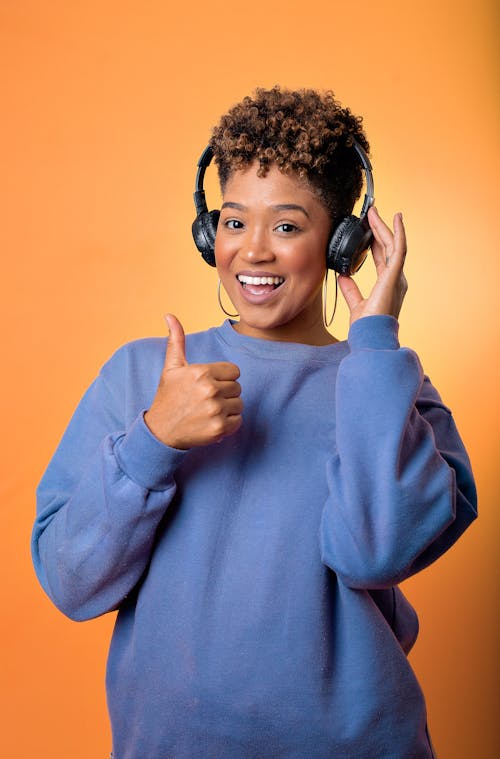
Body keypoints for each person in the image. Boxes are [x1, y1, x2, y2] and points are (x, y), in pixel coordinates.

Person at [32, 86, 477, 759]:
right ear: (210, 233)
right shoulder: (140, 376)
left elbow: (376, 552)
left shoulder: (391, 389)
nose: (254, 252)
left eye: (289, 226)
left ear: (342, 246)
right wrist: (153, 440)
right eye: (235, 223)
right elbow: (74, 582)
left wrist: (376, 344)